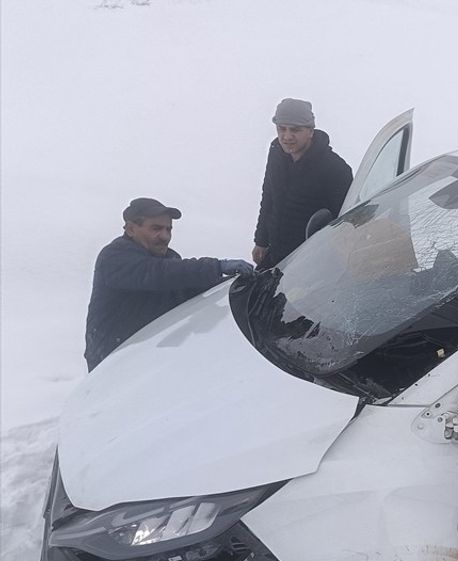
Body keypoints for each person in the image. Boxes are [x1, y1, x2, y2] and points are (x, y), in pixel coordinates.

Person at [84, 198, 255, 370]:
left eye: (169, 229)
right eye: (156, 228)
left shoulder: (168, 258)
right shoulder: (114, 258)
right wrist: (217, 267)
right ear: (130, 229)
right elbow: (158, 274)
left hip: (150, 354)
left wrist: (229, 285)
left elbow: (183, 291)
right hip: (112, 361)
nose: (165, 236)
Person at [251, 98, 353, 268]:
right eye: (281, 129)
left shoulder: (336, 168)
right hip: (275, 252)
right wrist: (260, 240)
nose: (287, 136)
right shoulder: (276, 151)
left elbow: (344, 223)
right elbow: (268, 195)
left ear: (310, 131)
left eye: (295, 130)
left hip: (311, 262)